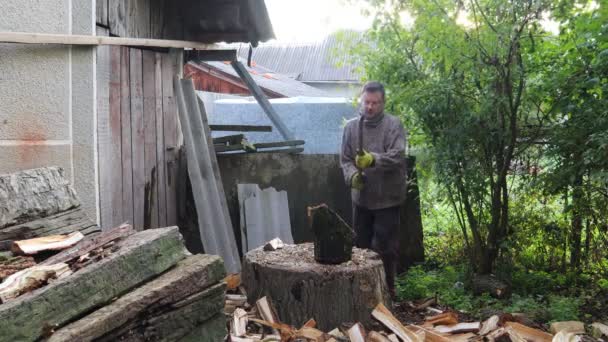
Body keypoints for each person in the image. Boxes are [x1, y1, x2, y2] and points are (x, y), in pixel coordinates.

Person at [340, 81, 407, 298]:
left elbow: (398, 156)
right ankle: (361, 291)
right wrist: (352, 177)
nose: (370, 107)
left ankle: (389, 290)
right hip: (362, 199)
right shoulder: (351, 128)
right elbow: (345, 160)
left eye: (375, 103)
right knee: (360, 246)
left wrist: (373, 160)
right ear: (362, 100)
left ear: (383, 103)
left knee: (386, 247)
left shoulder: (393, 125)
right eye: (367, 102)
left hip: (388, 198)